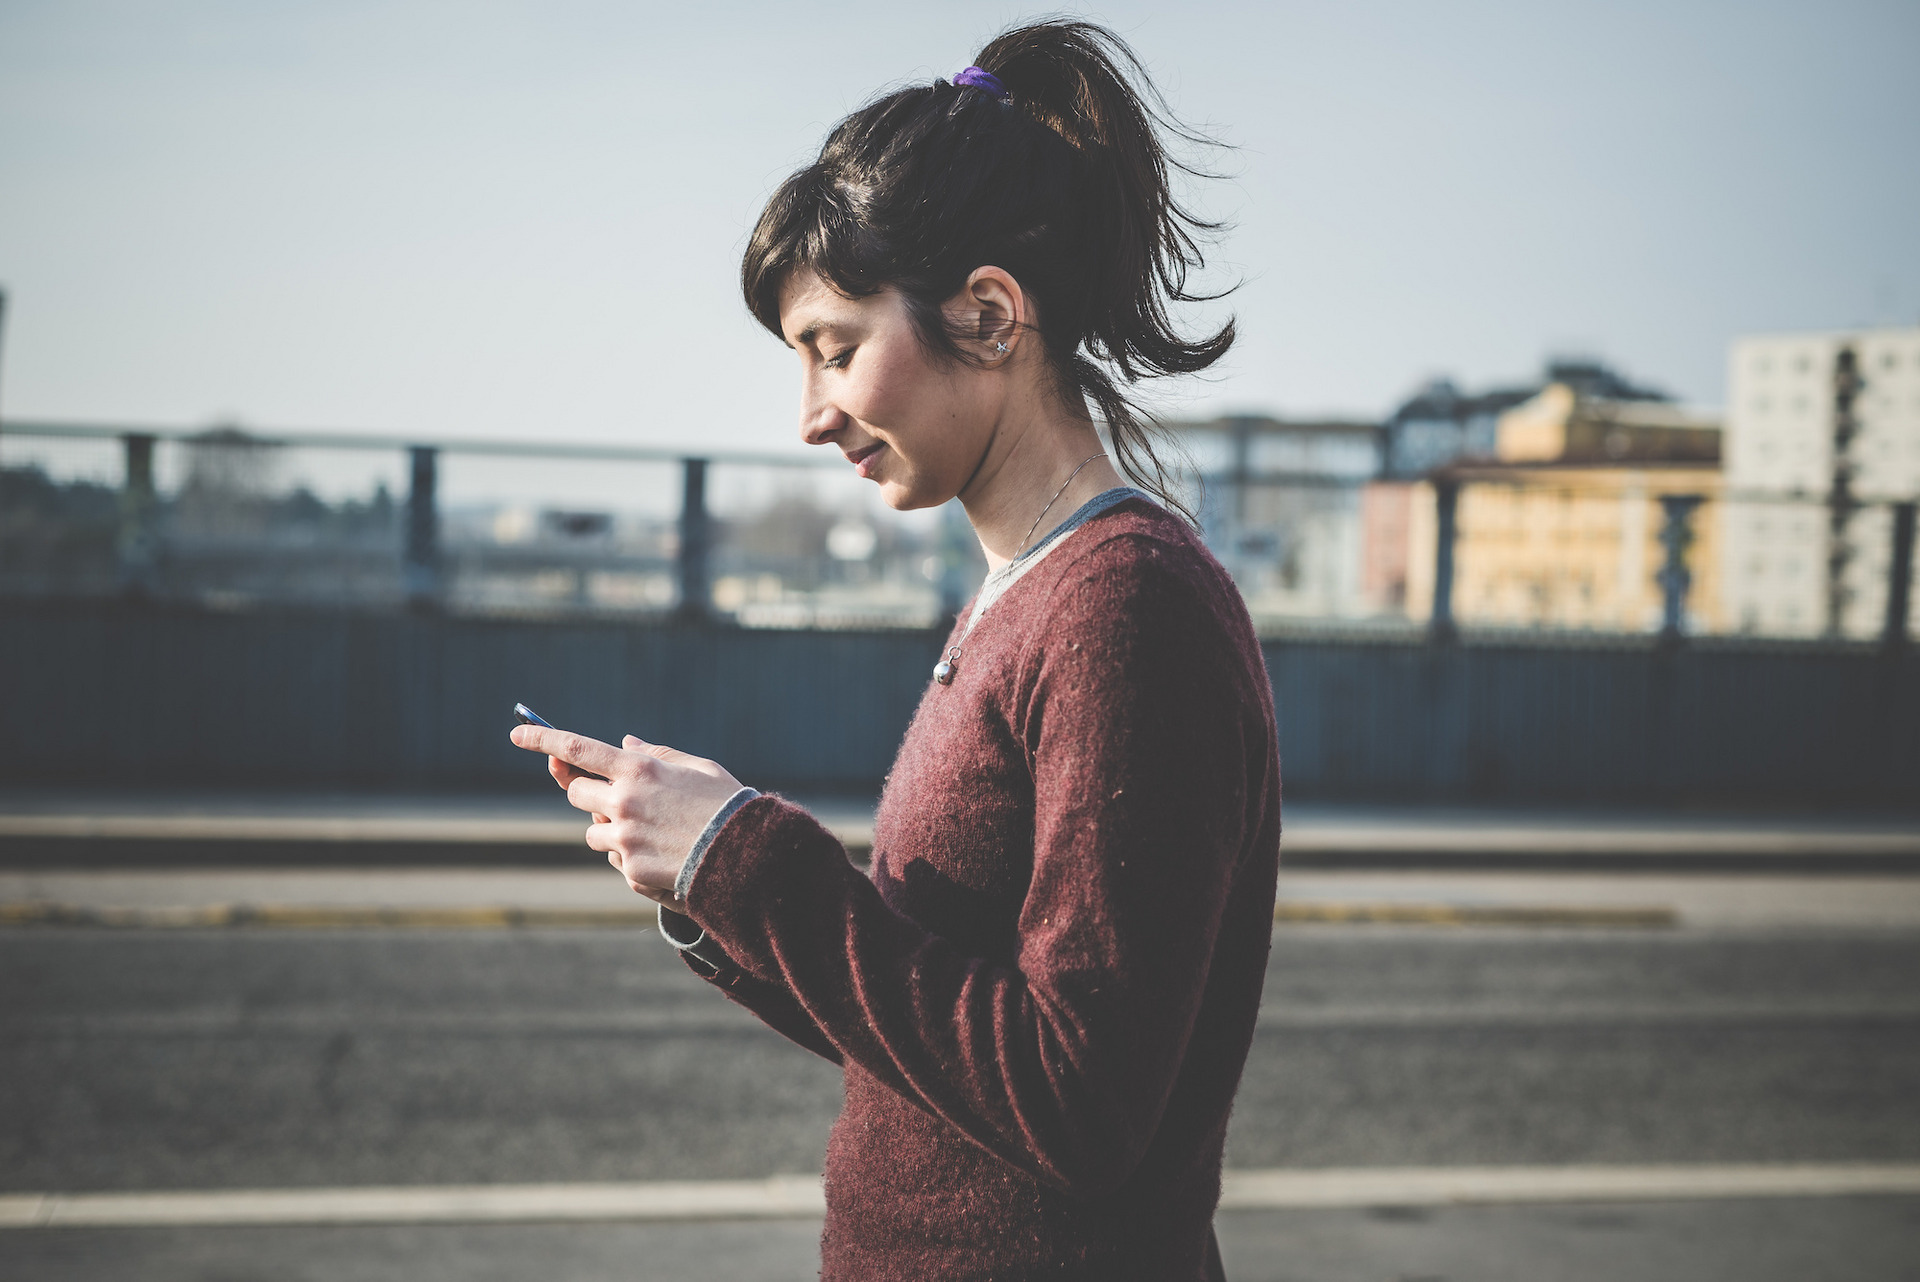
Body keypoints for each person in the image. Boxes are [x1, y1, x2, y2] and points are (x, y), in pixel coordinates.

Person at [511, 21, 1281, 1280]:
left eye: (835, 348)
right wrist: (712, 891)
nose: (811, 417)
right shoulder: (1028, 593)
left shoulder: (1125, 607)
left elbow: (1076, 1102)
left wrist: (747, 855)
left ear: (987, 314)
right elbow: (930, 1036)